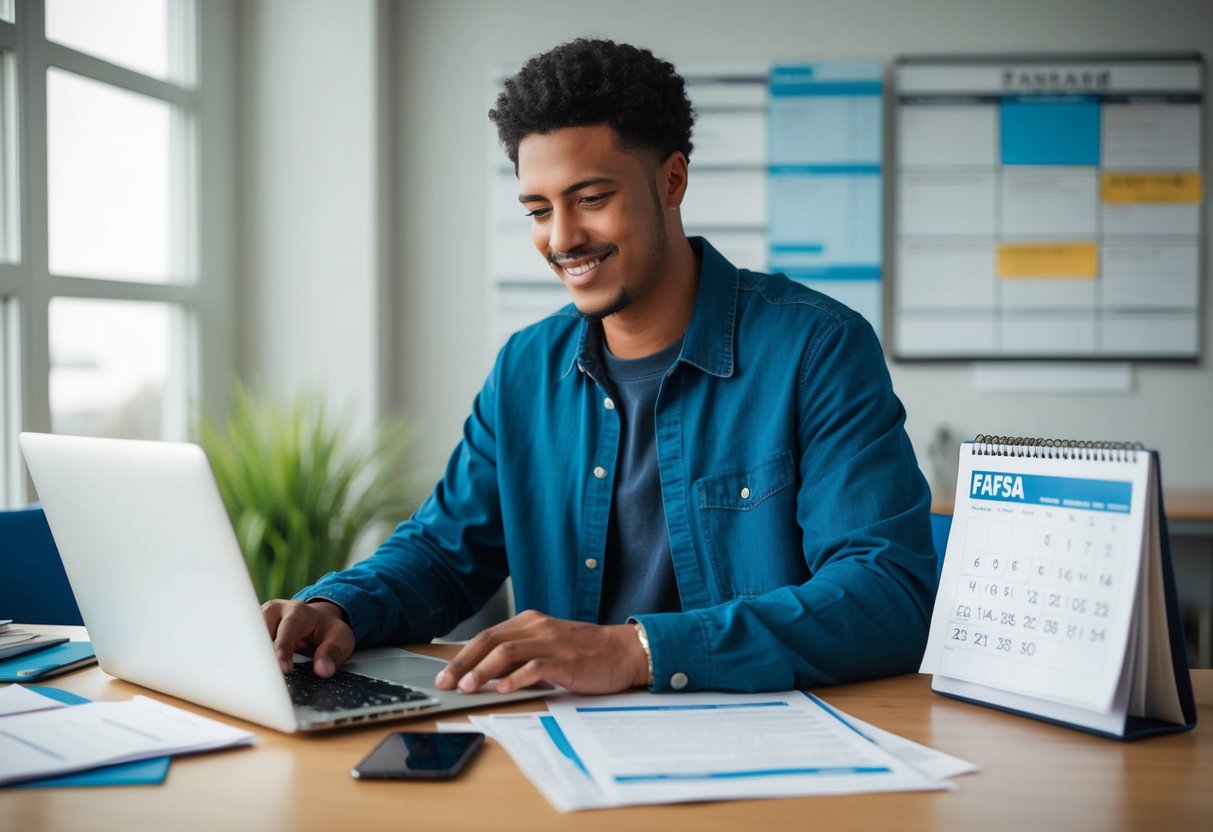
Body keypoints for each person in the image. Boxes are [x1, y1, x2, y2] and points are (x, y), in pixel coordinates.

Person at [263, 38, 937, 696]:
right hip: (562, 748)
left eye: (589, 199)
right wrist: (335, 609)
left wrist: (634, 649)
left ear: (671, 181)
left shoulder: (816, 347)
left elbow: (886, 594)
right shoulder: (525, 367)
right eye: (537, 209)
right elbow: (443, 553)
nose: (560, 240)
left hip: (763, 741)